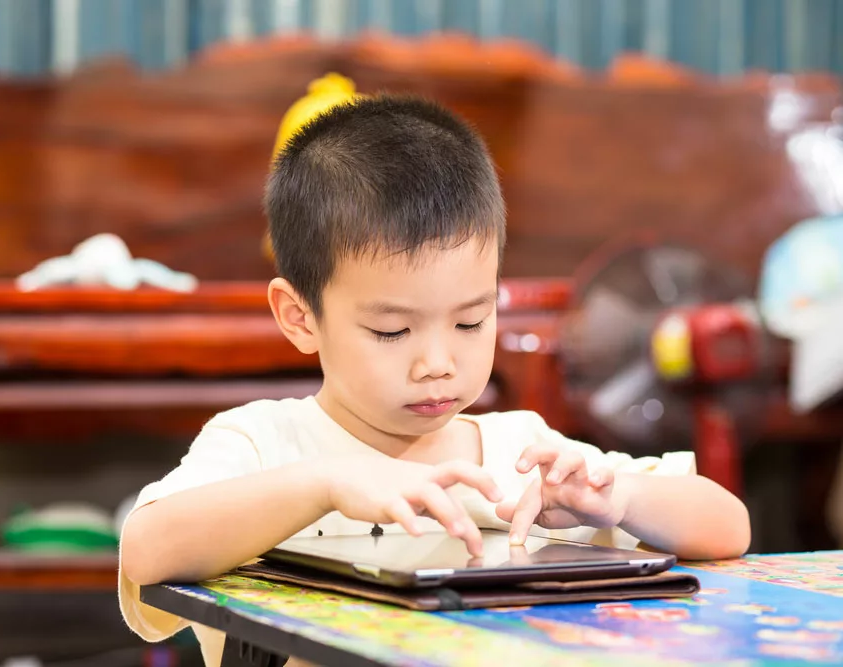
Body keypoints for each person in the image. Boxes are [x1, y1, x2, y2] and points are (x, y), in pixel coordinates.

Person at [117, 94, 751, 665]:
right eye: (393, 331)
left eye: (472, 321)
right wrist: (325, 484)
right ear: (300, 316)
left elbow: (728, 529)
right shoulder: (262, 443)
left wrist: (624, 500)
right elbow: (146, 551)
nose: (438, 362)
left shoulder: (519, 451)